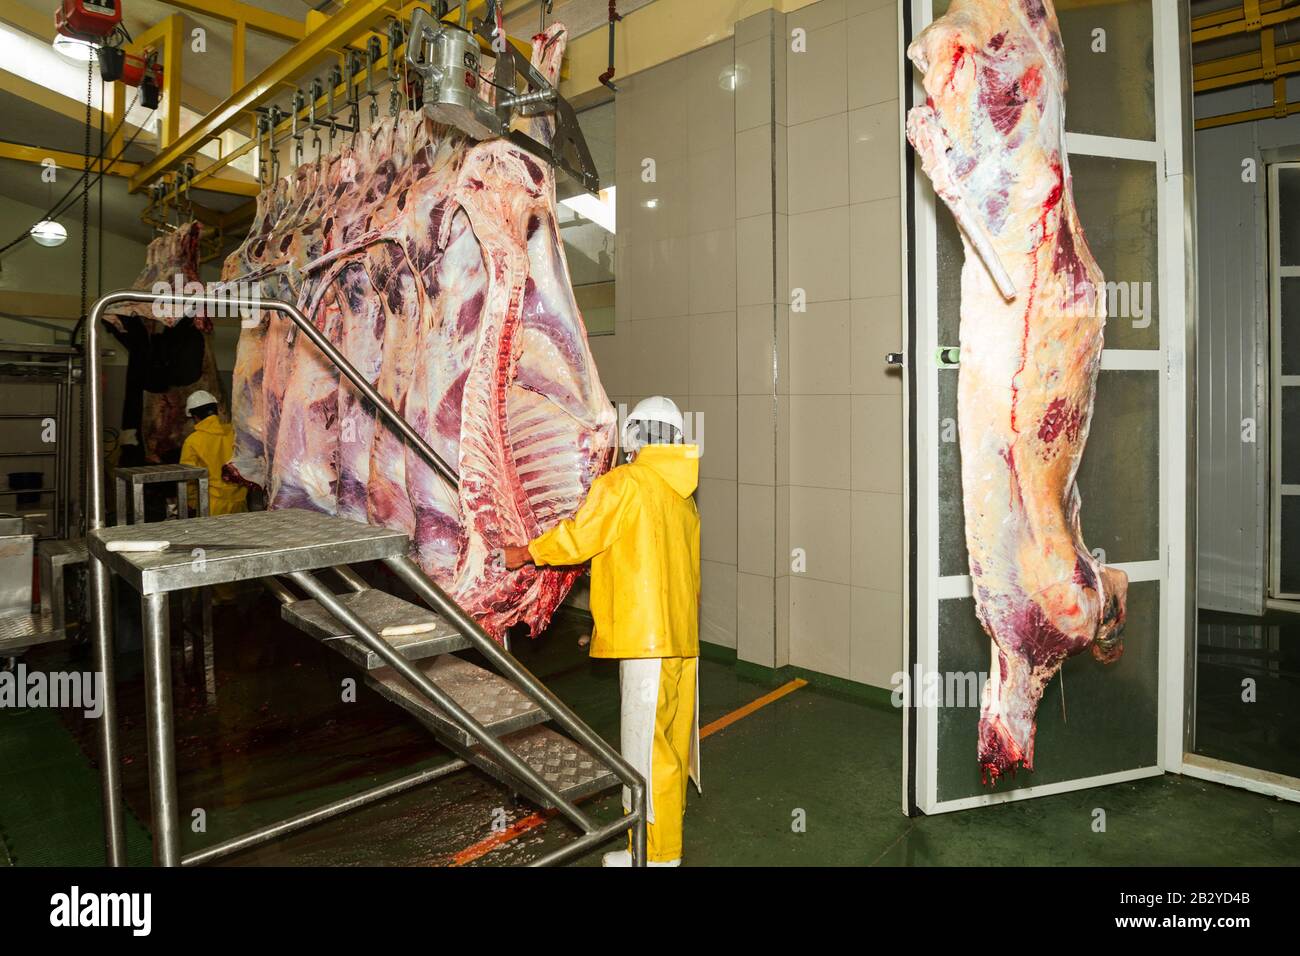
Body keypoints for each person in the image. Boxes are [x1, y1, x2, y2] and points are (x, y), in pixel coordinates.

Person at [504, 396, 701, 867]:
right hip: (681, 643)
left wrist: (526, 552)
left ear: (634, 437)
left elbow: (580, 536)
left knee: (644, 755)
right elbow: (680, 578)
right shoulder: (683, 497)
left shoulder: (626, 483)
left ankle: (652, 859)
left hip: (645, 645)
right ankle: (658, 850)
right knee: (668, 751)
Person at [179, 390, 247, 516]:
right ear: (216, 411)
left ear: (195, 417)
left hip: (210, 505)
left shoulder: (192, 441)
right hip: (240, 503)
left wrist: (192, 504)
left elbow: (188, 478)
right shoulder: (236, 433)